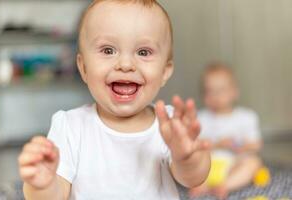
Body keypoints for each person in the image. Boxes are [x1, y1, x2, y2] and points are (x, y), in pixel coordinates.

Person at [18, 1, 210, 199]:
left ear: (165, 71)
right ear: (83, 68)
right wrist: (42, 185)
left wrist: (187, 158)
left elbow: (193, 178)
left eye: (143, 52)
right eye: (108, 50)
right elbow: (55, 195)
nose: (125, 64)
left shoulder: (169, 126)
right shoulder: (71, 127)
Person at [190, 62, 263, 199]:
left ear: (235, 92)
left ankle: (225, 185)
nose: (215, 96)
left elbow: (256, 144)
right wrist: (218, 144)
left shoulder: (246, 117)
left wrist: (243, 147)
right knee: (190, 159)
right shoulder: (201, 118)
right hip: (208, 166)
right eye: (209, 91)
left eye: (221, 90)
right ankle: (201, 184)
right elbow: (195, 145)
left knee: (254, 162)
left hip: (233, 165)